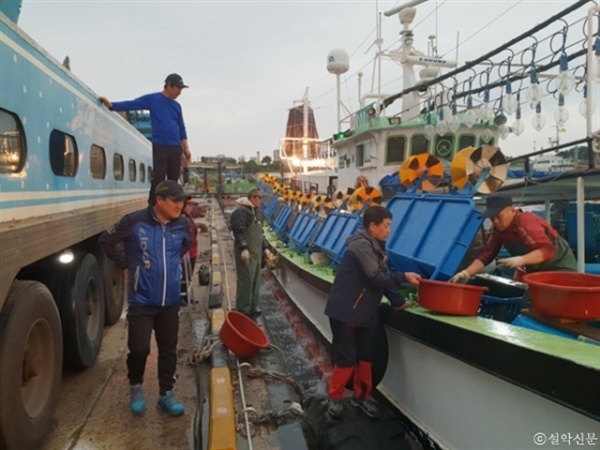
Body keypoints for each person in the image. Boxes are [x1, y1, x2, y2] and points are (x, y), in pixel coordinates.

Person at [98, 180, 192, 416]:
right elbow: (106, 241)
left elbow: (186, 245)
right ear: (159, 200)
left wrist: (172, 268)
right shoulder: (134, 221)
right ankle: (136, 386)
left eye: (182, 200)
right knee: (139, 349)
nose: (180, 205)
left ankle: (166, 395)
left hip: (170, 300)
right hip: (142, 300)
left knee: (169, 349)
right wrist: (125, 263)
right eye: (175, 200)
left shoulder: (182, 224)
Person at [324, 205, 421, 419]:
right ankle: (335, 397)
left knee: (366, 358)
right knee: (347, 358)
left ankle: (362, 397)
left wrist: (398, 301)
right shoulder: (360, 247)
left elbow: (384, 277)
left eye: (390, 226)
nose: (389, 230)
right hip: (345, 312)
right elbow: (375, 278)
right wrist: (404, 276)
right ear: (372, 226)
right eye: (386, 226)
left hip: (364, 313)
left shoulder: (376, 248)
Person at [99, 73, 192, 203]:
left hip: (175, 147)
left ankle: (174, 206)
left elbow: (181, 128)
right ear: (169, 85)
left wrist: (186, 148)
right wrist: (112, 106)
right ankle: (153, 204)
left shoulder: (177, 106)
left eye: (181, 89)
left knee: (173, 179)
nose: (180, 92)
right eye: (178, 88)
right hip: (160, 145)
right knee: (158, 177)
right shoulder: (153, 99)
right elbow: (132, 104)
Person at [450, 193, 577, 284]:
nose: (496, 221)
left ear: (512, 210)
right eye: (492, 218)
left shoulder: (525, 220)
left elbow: (548, 251)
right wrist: (466, 273)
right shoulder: (498, 231)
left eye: (499, 216)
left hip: (560, 266)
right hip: (537, 271)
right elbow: (486, 255)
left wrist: (521, 260)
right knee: (529, 303)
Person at [230, 188, 265, 318]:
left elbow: (260, 233)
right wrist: (243, 248)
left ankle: (253, 306)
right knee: (246, 280)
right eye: (259, 198)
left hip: (256, 253)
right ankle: (243, 309)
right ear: (252, 197)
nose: (260, 201)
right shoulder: (241, 212)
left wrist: (265, 247)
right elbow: (238, 231)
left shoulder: (257, 213)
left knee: (255, 279)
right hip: (247, 253)